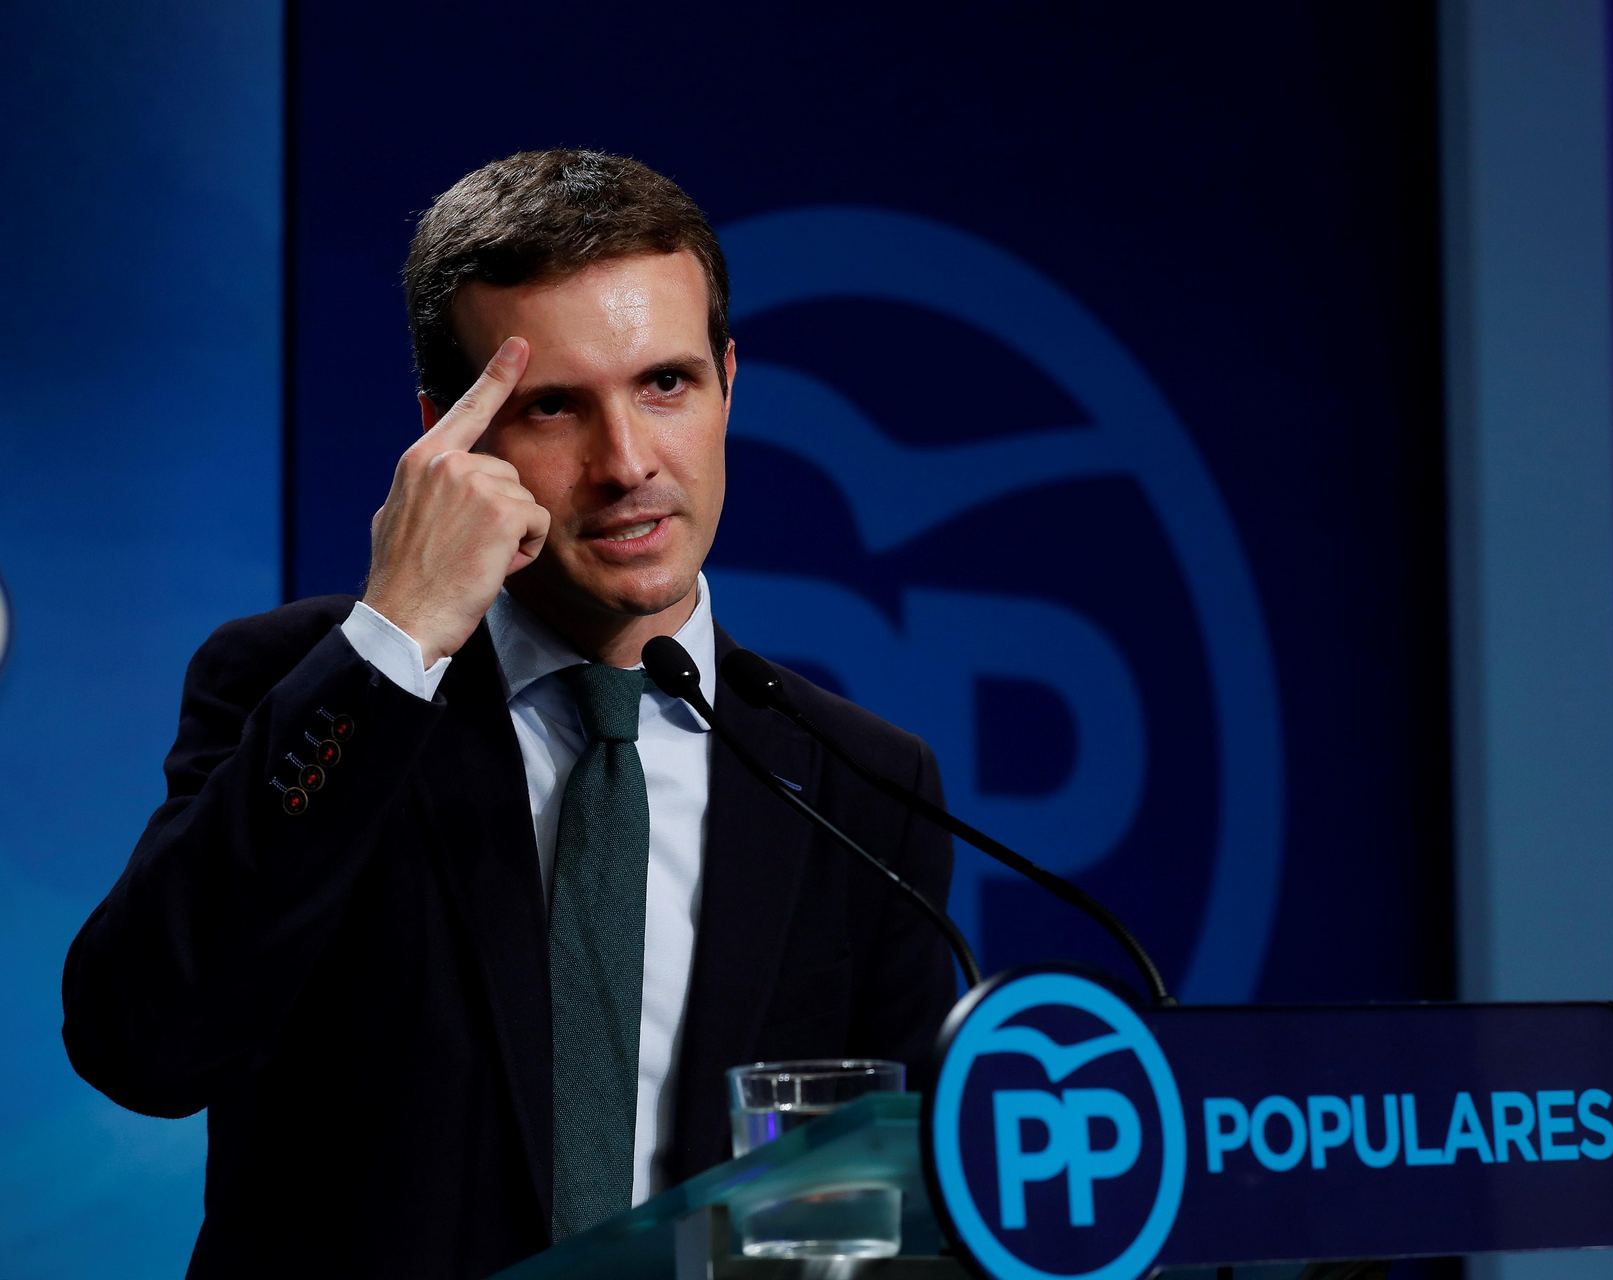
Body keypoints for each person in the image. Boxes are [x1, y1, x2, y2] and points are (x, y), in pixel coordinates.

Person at [61, 149, 956, 1279]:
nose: (627, 462)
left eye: (666, 383)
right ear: (452, 433)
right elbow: (142, 1044)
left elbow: (882, 1217)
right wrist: (394, 642)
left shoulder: (860, 782)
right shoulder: (302, 686)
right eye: (552, 406)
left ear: (731, 381)